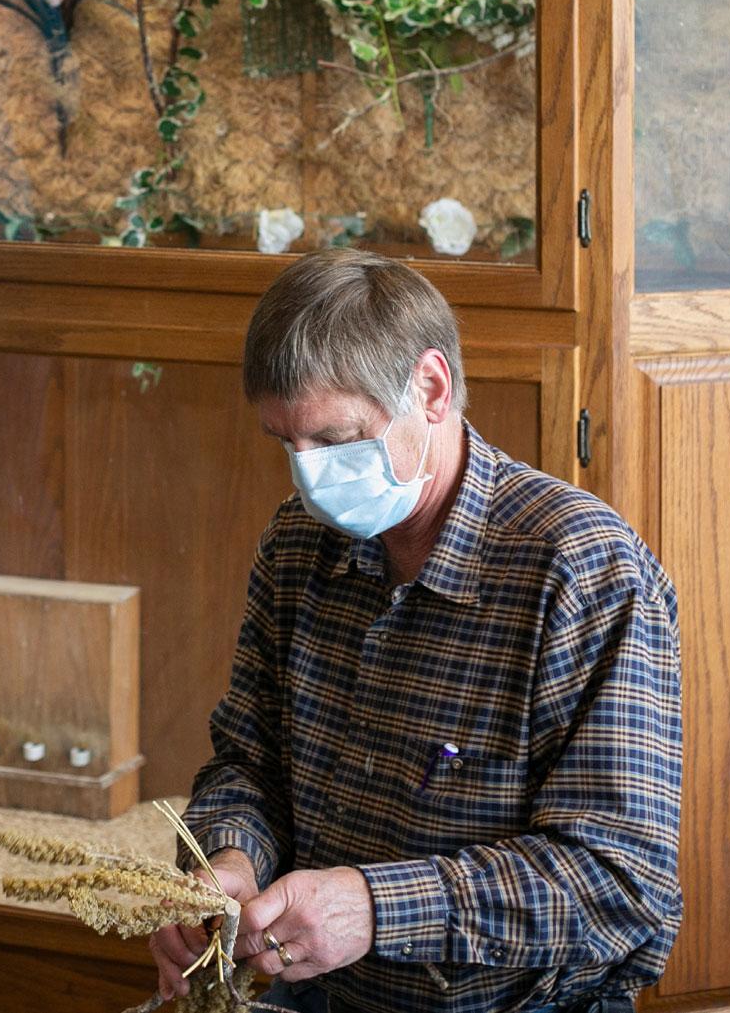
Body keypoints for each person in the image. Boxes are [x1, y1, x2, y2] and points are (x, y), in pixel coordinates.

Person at [151, 250, 683, 1013]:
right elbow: (249, 758)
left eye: (337, 441)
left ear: (430, 388)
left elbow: (620, 884)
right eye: (284, 444)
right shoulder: (299, 543)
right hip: (320, 993)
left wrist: (374, 907)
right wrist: (230, 857)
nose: (309, 478)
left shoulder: (582, 569)